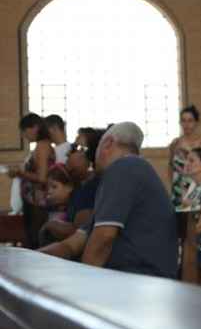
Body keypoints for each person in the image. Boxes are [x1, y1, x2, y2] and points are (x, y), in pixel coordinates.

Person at [39, 122, 178, 278]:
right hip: (131, 277)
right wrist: (32, 260)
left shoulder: (124, 167)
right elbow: (73, 244)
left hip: (142, 279)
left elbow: (103, 239)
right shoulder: (119, 175)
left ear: (108, 143)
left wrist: (82, 287)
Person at [38, 128, 104, 246]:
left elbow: (80, 233)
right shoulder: (82, 186)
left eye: (74, 148)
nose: (68, 153)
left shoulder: (91, 188)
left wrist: (50, 225)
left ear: (91, 155)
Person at [7, 113, 54, 248]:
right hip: (33, 201)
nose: (23, 135)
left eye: (24, 131)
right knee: (31, 239)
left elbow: (42, 178)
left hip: (38, 202)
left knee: (36, 242)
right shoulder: (40, 146)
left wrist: (20, 173)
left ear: (35, 127)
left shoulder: (43, 146)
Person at [168, 105, 201, 207]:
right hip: (178, 191)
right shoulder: (175, 143)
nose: (186, 124)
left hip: (196, 189)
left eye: (190, 121)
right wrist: (172, 187)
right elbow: (170, 167)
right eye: (183, 121)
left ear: (196, 122)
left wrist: (188, 151)